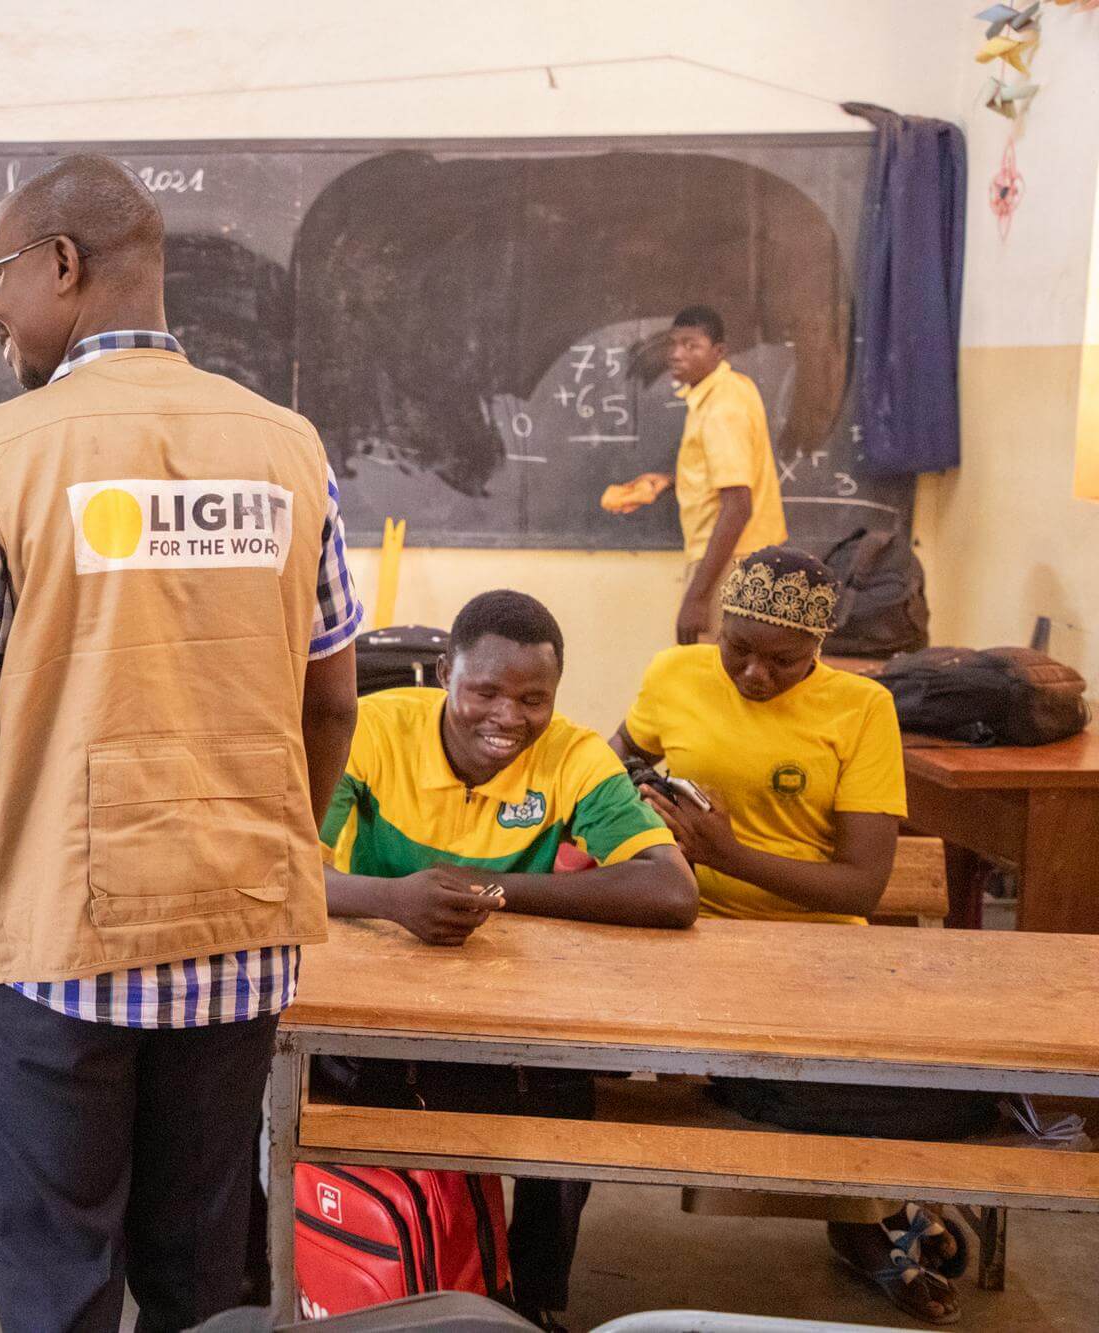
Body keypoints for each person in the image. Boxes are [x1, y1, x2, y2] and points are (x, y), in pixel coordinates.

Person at [0, 154, 364, 1332]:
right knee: (201, 1273)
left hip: (54, 949)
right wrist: (255, 835)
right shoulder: (289, 451)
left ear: (61, 264)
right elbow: (331, 704)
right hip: (238, 930)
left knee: (59, 1277)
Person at [319, 589, 696, 1329]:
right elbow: (290, 868)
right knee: (326, 1098)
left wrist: (490, 891)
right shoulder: (375, 729)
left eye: (533, 698)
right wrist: (393, 900)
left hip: (518, 1007)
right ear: (442, 672)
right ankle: (378, 1272)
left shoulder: (575, 755)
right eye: (484, 690)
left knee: (565, 1104)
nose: (508, 716)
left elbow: (671, 888)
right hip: (375, 1005)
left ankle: (531, 1298)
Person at [612, 545, 966, 1325]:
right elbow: (611, 764)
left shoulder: (862, 709)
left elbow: (861, 885)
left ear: (820, 647)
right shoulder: (674, 673)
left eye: (783, 660)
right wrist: (633, 796)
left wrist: (729, 853)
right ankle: (867, 1219)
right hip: (686, 930)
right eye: (737, 650)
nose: (753, 676)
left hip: (818, 949)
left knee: (833, 1074)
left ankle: (861, 1220)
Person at [661, 305, 786, 646]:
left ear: (718, 352)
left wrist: (697, 597)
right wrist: (670, 482)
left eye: (691, 345)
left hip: (731, 563)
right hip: (746, 558)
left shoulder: (721, 408)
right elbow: (724, 474)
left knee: (713, 681)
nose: (676, 354)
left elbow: (737, 505)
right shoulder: (729, 389)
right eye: (673, 344)